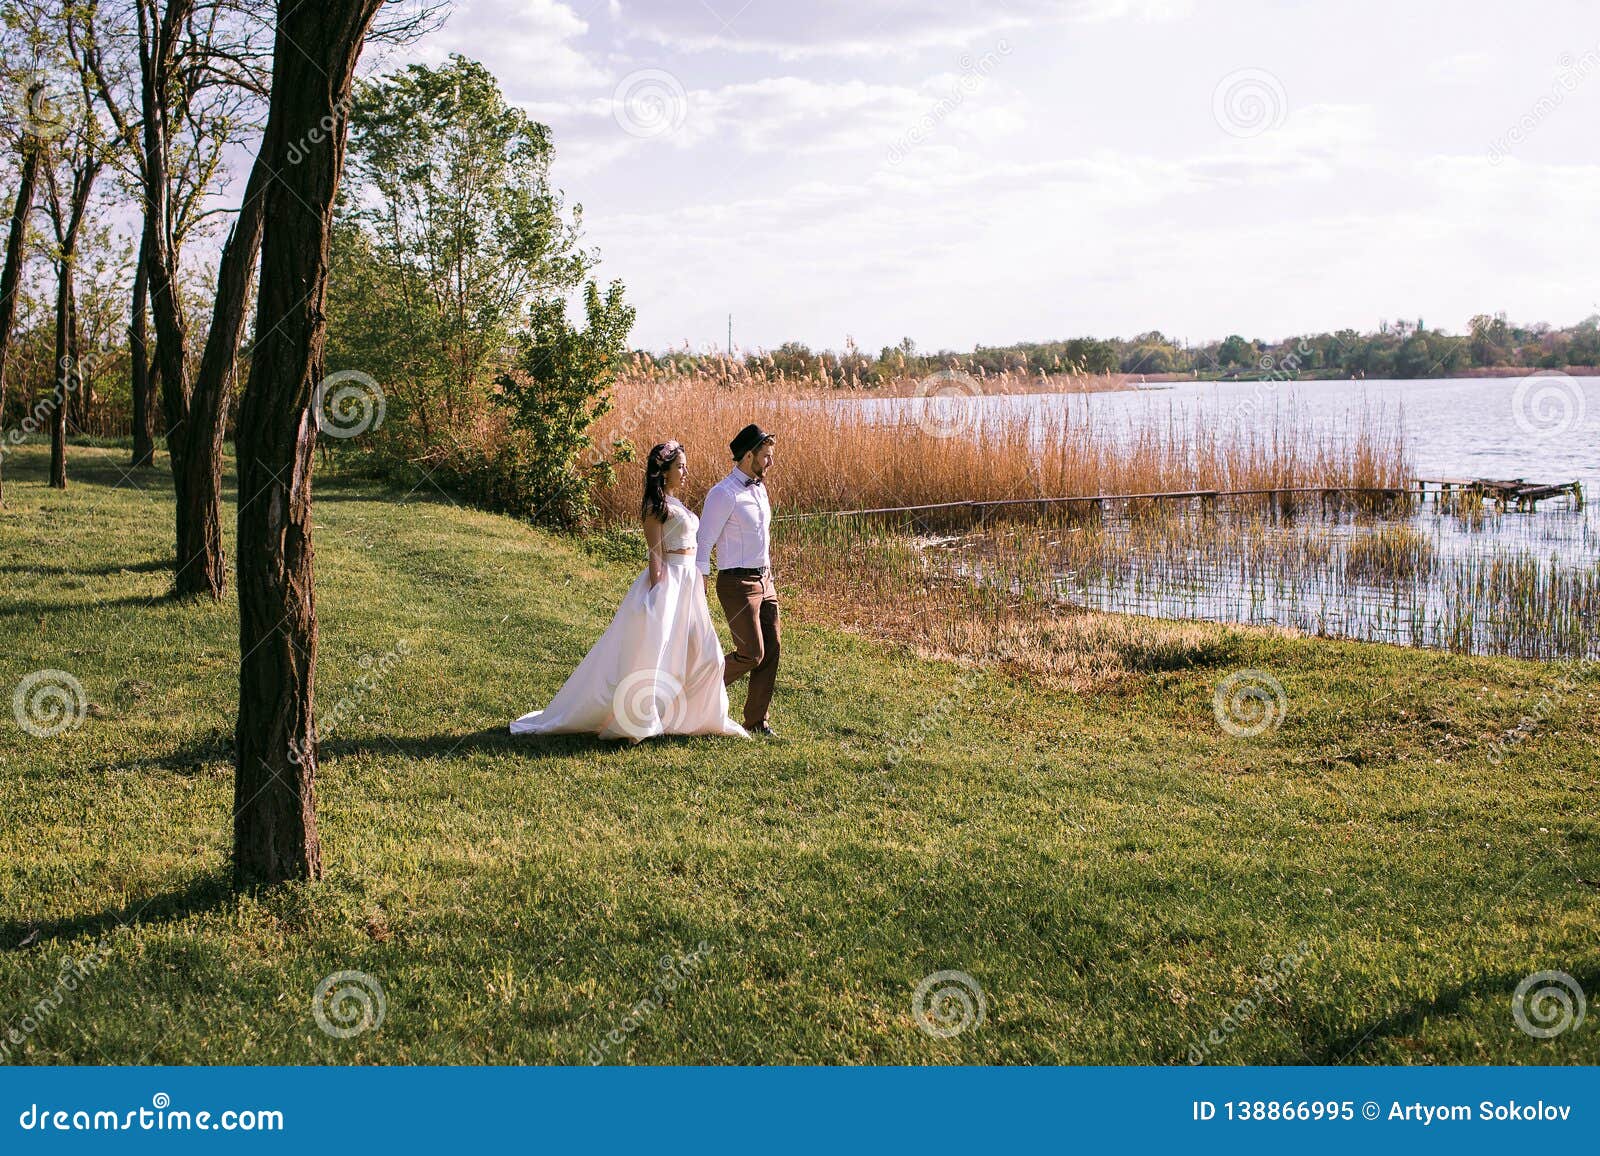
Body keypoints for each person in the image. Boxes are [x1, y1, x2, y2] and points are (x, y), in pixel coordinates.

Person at [510, 441, 748, 743]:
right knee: (657, 652)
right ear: (663, 472)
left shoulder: (677, 503)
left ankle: (701, 715)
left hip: (689, 585)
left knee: (708, 654)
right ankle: (640, 717)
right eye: (680, 467)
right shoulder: (655, 507)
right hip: (671, 584)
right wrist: (654, 596)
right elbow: (656, 555)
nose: (686, 472)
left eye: (685, 466)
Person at [696, 423, 780, 737]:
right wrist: (700, 581)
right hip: (736, 584)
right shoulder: (722, 493)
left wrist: (769, 574)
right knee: (751, 653)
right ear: (748, 456)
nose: (770, 463)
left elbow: (762, 537)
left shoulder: (760, 487)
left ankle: (757, 722)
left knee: (771, 651)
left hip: (765, 581)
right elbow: (704, 542)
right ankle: (697, 693)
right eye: (766, 457)